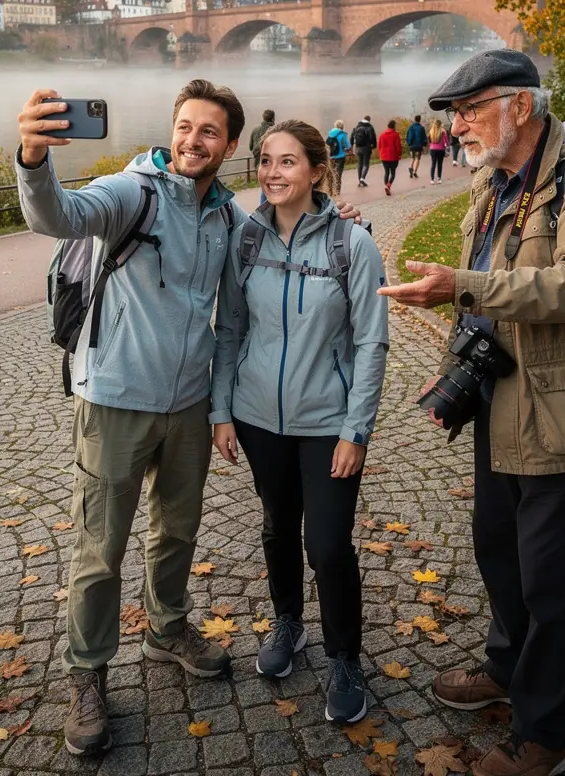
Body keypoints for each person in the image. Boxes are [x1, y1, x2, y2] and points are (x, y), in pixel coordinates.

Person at [17, 80, 360, 758]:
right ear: (171, 131)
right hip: (114, 398)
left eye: (209, 132)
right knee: (101, 548)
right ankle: (87, 673)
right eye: (185, 126)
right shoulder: (130, 192)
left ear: (230, 146)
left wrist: (336, 217)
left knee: (177, 530)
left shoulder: (229, 219)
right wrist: (32, 158)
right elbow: (57, 215)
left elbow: (271, 267)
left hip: (188, 406)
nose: (193, 140)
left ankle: (167, 627)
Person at [380, 48, 565, 776]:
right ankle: (506, 669)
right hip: (503, 401)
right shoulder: (493, 179)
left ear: (522, 106)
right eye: (455, 114)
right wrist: (454, 376)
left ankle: (546, 736)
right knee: (499, 551)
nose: (459, 125)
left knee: (554, 583)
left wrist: (462, 287)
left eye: (471, 110)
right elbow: (489, 293)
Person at [210, 119, 388, 725]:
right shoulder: (247, 238)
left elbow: (370, 342)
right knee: (278, 528)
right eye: (265, 161)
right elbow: (230, 329)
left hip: (326, 422)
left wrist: (355, 428)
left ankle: (345, 655)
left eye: (288, 162)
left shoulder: (352, 244)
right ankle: (289, 622)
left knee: (329, 544)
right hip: (259, 418)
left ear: (317, 170)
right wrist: (222, 410)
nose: (273, 173)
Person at [249, 108, 276, 205]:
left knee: (264, 187)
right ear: (273, 119)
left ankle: (262, 211)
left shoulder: (255, 130)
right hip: (273, 165)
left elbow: (250, 147)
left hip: (258, 164)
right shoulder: (275, 131)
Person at [350, 115, 377, 187]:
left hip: (358, 148)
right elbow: (373, 138)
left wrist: (351, 145)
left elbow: (352, 137)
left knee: (359, 164)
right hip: (366, 148)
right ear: (369, 120)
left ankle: (359, 180)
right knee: (366, 164)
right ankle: (362, 179)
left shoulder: (357, 127)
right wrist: (374, 146)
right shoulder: (370, 127)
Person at [326, 119, 352, 193]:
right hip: (340, 157)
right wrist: (346, 148)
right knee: (338, 175)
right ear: (342, 126)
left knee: (331, 174)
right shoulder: (343, 134)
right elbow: (348, 146)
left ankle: (330, 190)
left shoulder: (330, 134)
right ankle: (337, 192)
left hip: (330, 157)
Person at [378, 119, 402, 196]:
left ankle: (386, 186)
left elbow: (379, 146)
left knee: (386, 172)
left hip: (384, 156)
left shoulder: (382, 135)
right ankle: (388, 185)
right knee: (393, 172)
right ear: (394, 126)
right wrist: (399, 154)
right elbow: (398, 147)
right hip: (393, 156)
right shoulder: (395, 135)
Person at [428, 118, 449, 184]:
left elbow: (429, 140)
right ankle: (439, 178)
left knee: (433, 164)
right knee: (440, 164)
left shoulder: (431, 131)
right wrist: (447, 146)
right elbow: (446, 141)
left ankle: (432, 179)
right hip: (440, 149)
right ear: (440, 124)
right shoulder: (443, 131)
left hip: (432, 149)